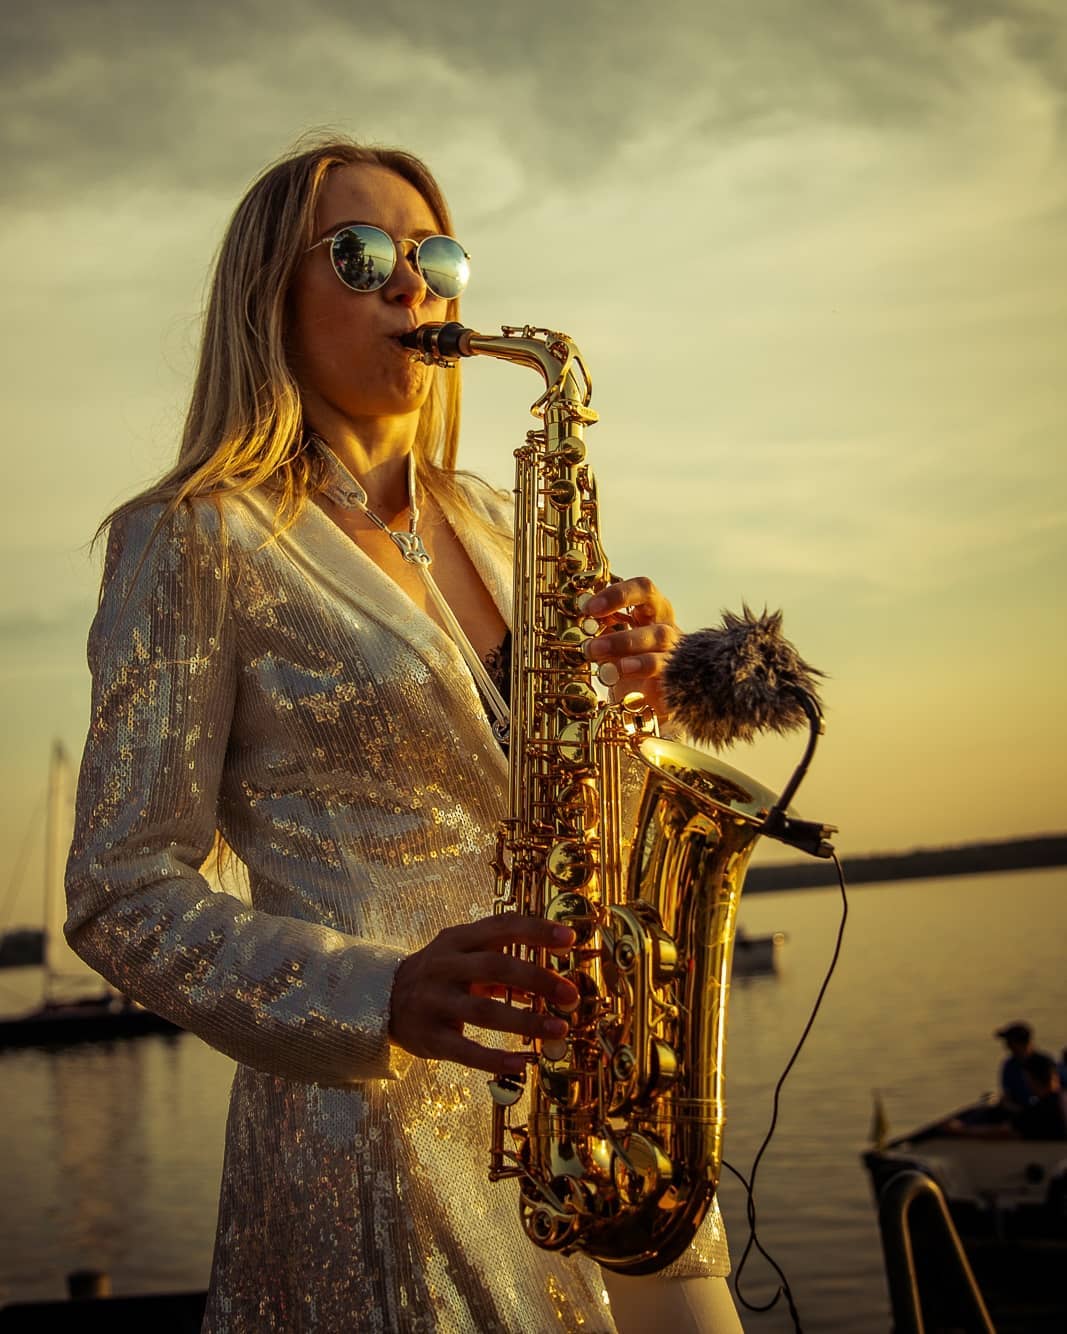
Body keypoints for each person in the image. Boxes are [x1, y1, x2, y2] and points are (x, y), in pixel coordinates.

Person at [64, 138, 743, 1333]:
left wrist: (641, 696)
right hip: (382, 1158)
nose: (414, 286)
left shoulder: (499, 516)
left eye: (435, 255)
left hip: (615, 1124)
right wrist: (371, 993)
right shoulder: (194, 537)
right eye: (363, 253)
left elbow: (583, 813)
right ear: (267, 293)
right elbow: (120, 889)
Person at [943, 1053, 1067, 1141]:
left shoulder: (1039, 1110)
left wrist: (961, 1130)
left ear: (1032, 1079)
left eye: (1026, 1078)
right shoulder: (1061, 1099)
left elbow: (1003, 1132)